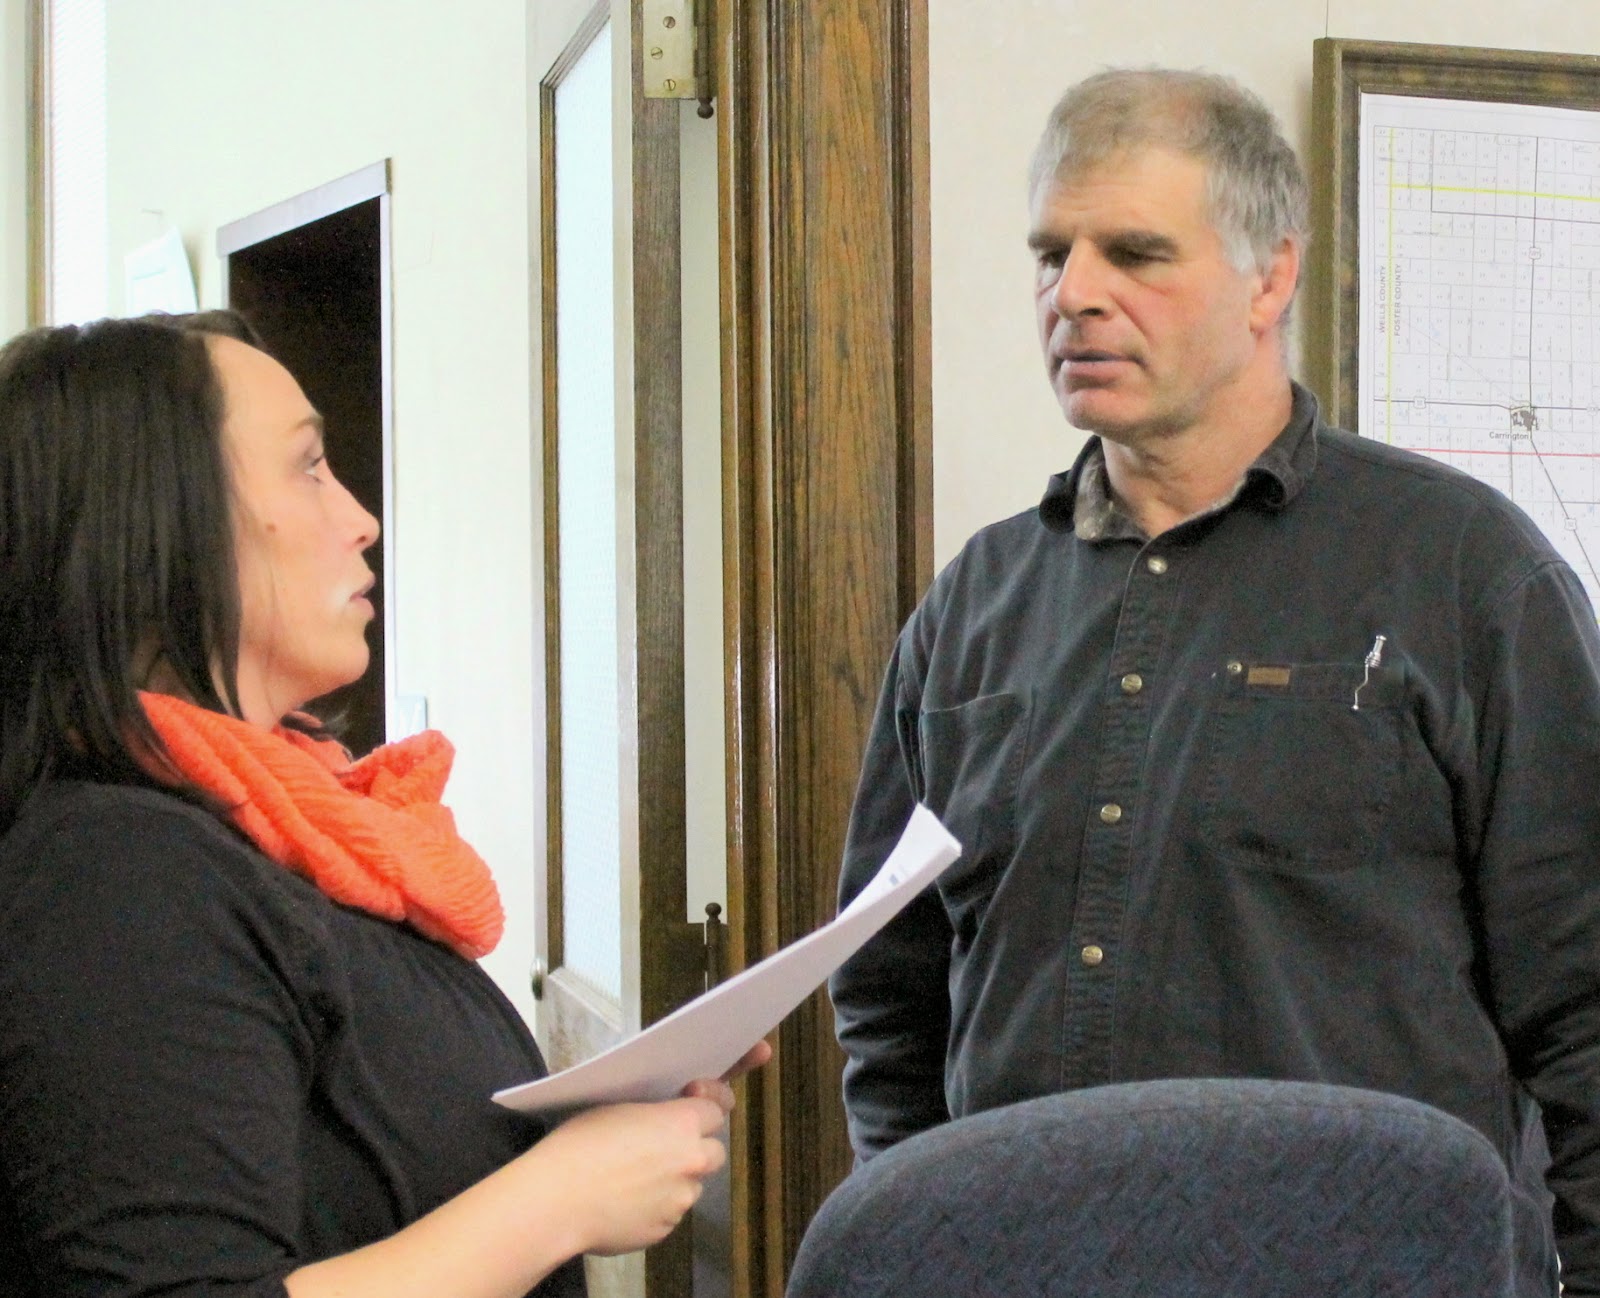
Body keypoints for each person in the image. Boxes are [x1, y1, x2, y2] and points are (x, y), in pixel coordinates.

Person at [828, 67, 1600, 1296]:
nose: (1074, 293)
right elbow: (888, 995)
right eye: (1051, 254)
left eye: (1134, 252)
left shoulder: (1465, 572)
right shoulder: (973, 605)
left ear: (1269, 276)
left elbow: (1584, 1003)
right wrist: (930, 1239)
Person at [0, 311, 768, 1298]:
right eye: (309, 467)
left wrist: (579, 1132)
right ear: (148, 525)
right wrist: (558, 1197)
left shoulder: (265, 822)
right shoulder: (111, 874)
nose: (360, 518)